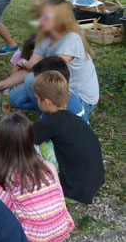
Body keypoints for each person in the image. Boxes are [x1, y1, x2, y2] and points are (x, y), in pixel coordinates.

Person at [0, 0, 99, 118]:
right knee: (15, 97)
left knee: (31, 79)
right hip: (57, 89)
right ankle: (49, 111)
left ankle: (48, 118)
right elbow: (31, 68)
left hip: (81, 98)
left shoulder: (71, 39)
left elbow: (49, 70)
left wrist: (23, 62)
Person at [0, 113, 74, 242]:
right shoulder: (47, 166)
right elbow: (60, 198)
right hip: (61, 230)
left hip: (33, 241)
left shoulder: (3, 176)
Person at [32, 71, 105, 204]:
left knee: (36, 143)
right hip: (92, 185)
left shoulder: (51, 122)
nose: (36, 101)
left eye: (37, 98)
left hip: (71, 192)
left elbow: (22, 139)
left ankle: (49, 183)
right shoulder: (77, 121)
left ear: (46, 101)